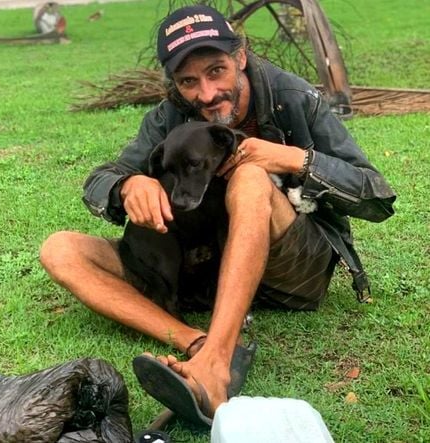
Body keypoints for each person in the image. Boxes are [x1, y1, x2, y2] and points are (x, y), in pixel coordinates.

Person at [40, 5, 396, 420]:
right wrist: (127, 184)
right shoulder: (170, 115)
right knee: (60, 249)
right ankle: (195, 340)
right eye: (188, 81)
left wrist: (293, 158)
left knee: (248, 177)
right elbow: (102, 178)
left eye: (216, 71)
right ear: (174, 82)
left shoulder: (294, 98)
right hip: (205, 273)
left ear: (240, 57)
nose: (206, 94)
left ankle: (217, 364)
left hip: (292, 272)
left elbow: (378, 197)